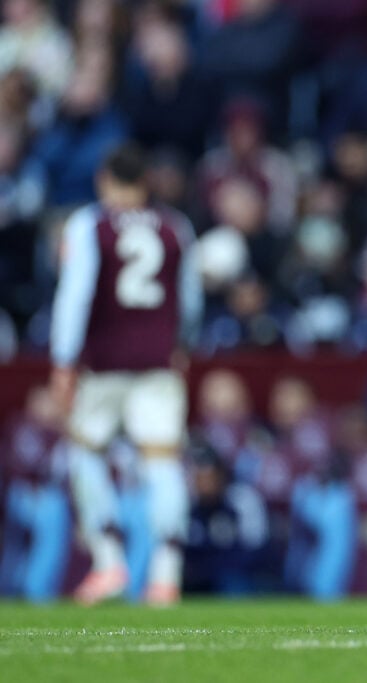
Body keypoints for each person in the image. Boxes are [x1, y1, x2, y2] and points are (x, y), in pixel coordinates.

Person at [49, 142, 202, 605]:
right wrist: (182, 345)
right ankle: (165, 574)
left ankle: (108, 558)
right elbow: (190, 298)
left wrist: (63, 360)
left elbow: (75, 295)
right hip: (159, 360)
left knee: (84, 453)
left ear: (105, 180)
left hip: (104, 362)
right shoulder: (176, 226)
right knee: (162, 462)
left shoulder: (89, 224)